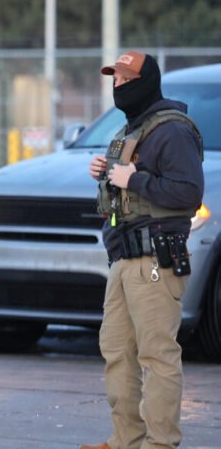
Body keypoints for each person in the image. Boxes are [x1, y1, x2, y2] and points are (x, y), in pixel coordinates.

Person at [83, 51, 204, 449]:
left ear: (146, 81)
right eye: (115, 79)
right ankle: (126, 440)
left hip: (155, 259)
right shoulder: (132, 130)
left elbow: (188, 193)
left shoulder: (173, 130)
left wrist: (133, 180)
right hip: (123, 258)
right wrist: (106, 174)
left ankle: (159, 444)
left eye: (126, 79)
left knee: (157, 355)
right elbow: (124, 193)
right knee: (117, 351)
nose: (118, 86)